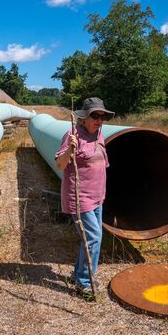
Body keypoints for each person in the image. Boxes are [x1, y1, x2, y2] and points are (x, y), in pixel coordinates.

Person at [54, 97, 114, 297]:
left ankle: (79, 274)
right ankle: (84, 283)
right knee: (94, 237)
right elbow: (60, 165)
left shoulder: (99, 135)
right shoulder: (72, 135)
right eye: (95, 115)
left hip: (98, 196)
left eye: (102, 116)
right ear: (84, 118)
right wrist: (70, 150)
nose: (100, 119)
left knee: (90, 238)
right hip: (81, 198)